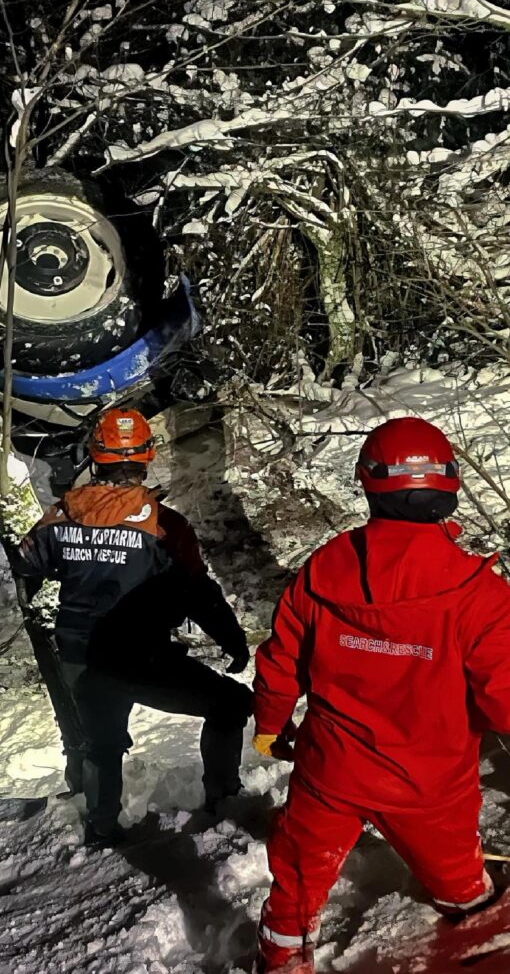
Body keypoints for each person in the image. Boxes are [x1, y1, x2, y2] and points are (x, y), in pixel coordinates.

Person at [251, 416, 510, 974]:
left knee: (298, 875)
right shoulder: (479, 595)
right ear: (449, 484)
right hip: (428, 784)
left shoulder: (324, 569)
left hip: (330, 770)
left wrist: (270, 722)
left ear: (368, 483)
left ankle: (280, 956)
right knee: (458, 877)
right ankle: (473, 920)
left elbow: (281, 658)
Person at [11, 406, 252, 846]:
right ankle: (223, 801)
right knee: (229, 704)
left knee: (98, 742)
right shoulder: (165, 525)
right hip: (141, 658)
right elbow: (197, 591)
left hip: (80, 654)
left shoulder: (61, 517)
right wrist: (232, 640)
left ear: (94, 457)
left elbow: (27, 563)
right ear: (146, 457)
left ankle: (101, 827)